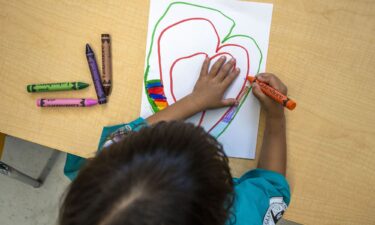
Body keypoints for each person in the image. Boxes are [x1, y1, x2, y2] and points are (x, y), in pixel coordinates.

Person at [60, 56, 290, 225]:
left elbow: (127, 141)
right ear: (221, 202)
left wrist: (194, 101)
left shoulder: (103, 174)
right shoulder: (244, 217)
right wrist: (276, 117)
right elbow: (272, 185)